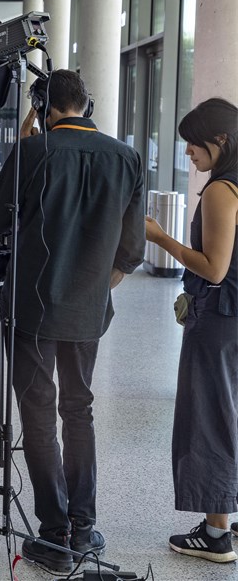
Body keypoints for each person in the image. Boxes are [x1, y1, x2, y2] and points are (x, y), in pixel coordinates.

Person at [0, 69, 145, 573]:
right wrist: (94, 288)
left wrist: (26, 145)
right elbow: (132, 250)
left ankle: (53, 536)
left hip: (31, 309)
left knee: (37, 416)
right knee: (80, 411)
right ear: (88, 104)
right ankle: (84, 528)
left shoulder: (32, 152)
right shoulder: (127, 157)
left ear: (42, 106)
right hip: (89, 312)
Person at [144, 98, 238, 563]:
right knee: (233, 412)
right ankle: (230, 515)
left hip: (219, 319)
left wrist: (161, 239)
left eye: (193, 145)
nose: (188, 155)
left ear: (220, 141)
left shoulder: (224, 190)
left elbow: (214, 268)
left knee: (210, 419)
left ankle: (217, 531)